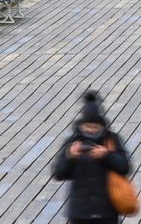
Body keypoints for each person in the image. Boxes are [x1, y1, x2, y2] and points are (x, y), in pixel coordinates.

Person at [51, 90, 133, 224]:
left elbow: (125, 167)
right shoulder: (73, 142)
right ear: (81, 125)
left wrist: (106, 155)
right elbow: (58, 173)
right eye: (87, 126)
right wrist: (70, 156)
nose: (91, 130)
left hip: (107, 213)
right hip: (80, 214)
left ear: (102, 125)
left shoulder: (111, 140)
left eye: (95, 126)